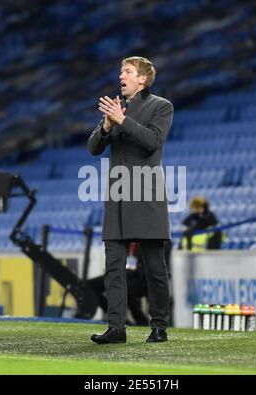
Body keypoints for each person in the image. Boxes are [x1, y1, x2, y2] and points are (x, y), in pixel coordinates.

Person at [87, 56, 174, 344]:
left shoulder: (161, 106)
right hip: (117, 197)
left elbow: (152, 142)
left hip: (146, 196)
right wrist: (107, 127)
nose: (121, 75)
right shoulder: (116, 109)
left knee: (155, 268)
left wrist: (123, 119)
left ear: (143, 79)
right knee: (114, 266)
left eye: (127, 71)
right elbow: (93, 148)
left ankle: (159, 326)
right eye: (120, 71)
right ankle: (116, 328)